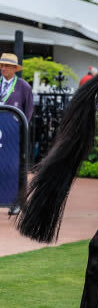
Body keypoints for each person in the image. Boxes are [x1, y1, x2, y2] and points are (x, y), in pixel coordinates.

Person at [0, 53, 34, 215]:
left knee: (14, 168)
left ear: (15, 68)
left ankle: (16, 202)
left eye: (7, 66)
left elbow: (28, 112)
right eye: (2, 65)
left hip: (14, 136)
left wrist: (21, 131)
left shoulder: (24, 87)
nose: (3, 68)